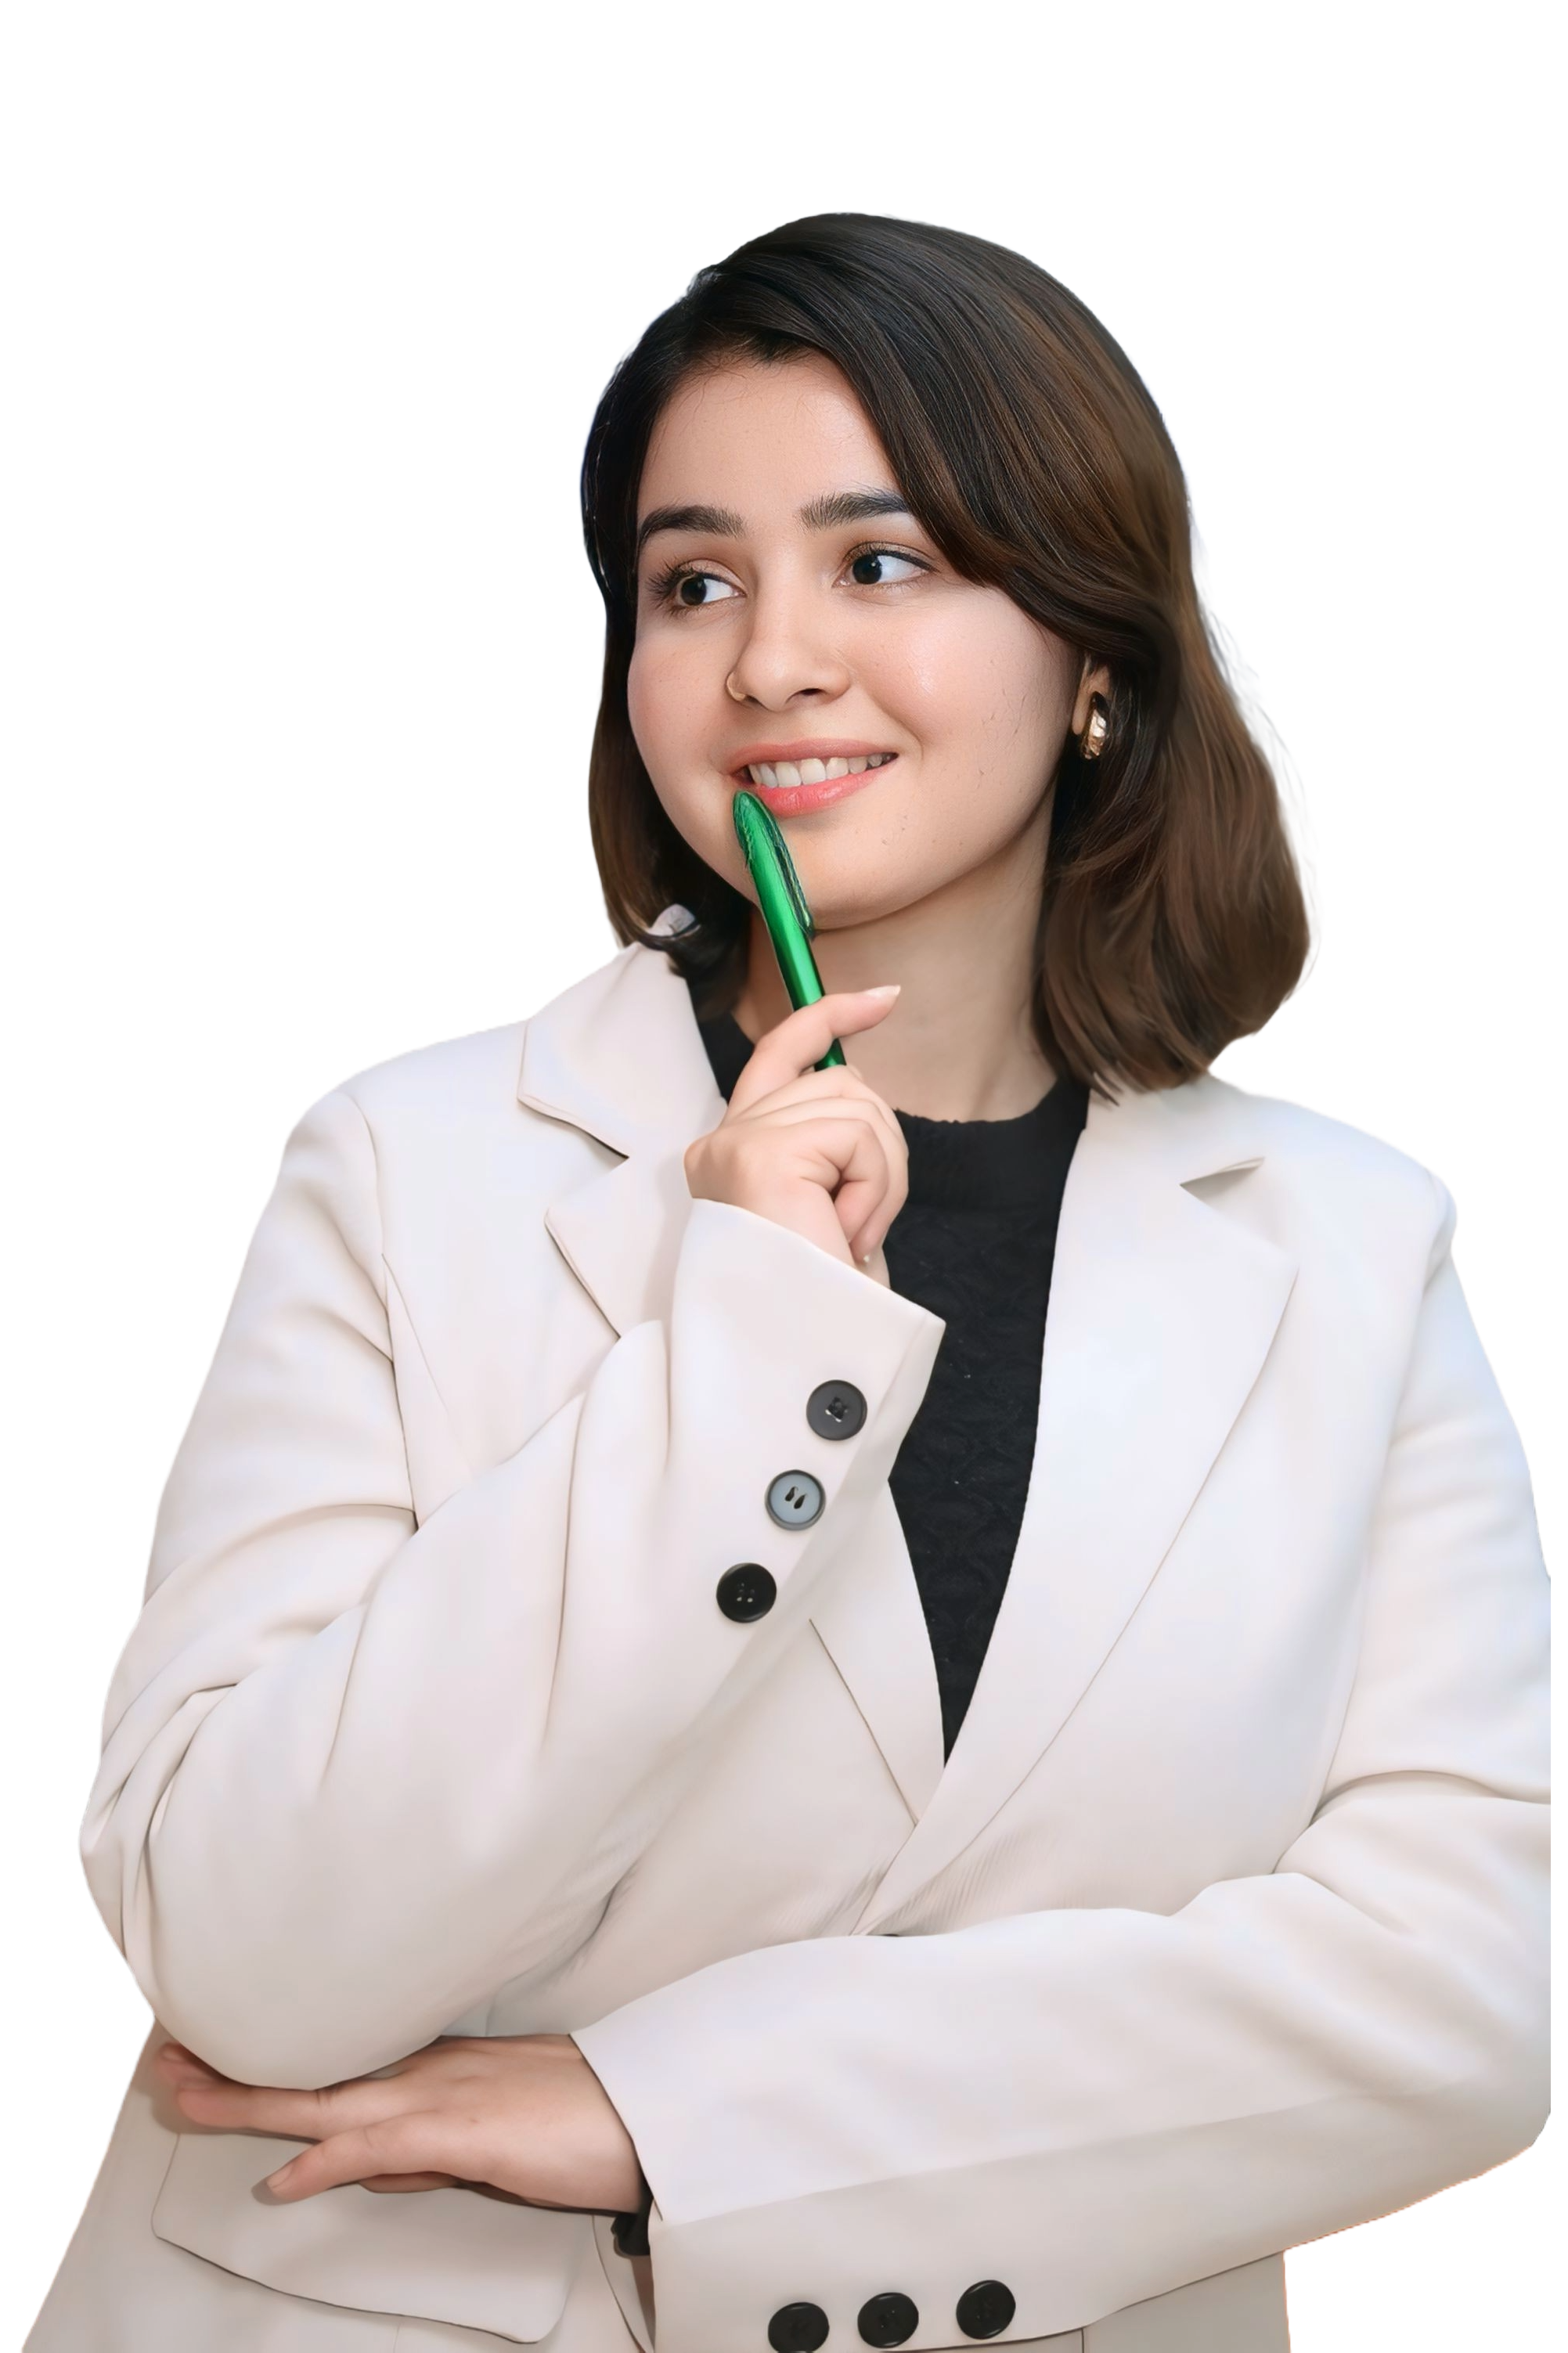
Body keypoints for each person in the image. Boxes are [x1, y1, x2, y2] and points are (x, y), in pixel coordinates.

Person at [27, 214, 1547, 2353]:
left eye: (884, 559)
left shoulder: (1355, 1244)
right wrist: (735, 1353)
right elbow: (243, 1942)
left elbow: (1475, 1985)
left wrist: (669, 2107)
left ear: (1099, 657)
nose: (769, 663)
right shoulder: (404, 1162)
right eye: (693, 579)